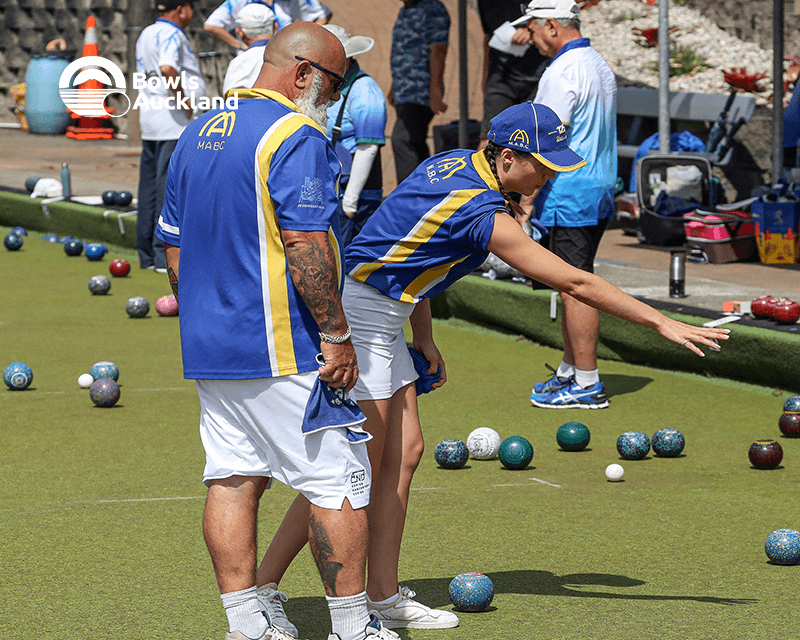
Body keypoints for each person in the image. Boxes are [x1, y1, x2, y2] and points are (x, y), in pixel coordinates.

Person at [251, 102, 731, 635]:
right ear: (507, 156)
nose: (548, 176)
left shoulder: (456, 163)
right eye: (543, 166)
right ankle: (265, 589)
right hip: (363, 316)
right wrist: (661, 323)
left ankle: (383, 596)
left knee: (405, 451)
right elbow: (575, 282)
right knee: (344, 472)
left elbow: (413, 247)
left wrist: (423, 335)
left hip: (387, 309)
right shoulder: (484, 214)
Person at [155, 22, 398, 640]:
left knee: (232, 477)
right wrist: (337, 334)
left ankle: (248, 624)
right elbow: (306, 242)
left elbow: (174, 248)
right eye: (336, 83)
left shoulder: (197, 131)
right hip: (281, 345)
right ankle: (351, 625)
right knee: (340, 478)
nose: (337, 97)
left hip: (212, 346)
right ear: (303, 73)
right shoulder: (296, 134)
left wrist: (204, 316)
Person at [514, 0, 619, 409]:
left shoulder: (561, 71)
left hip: (570, 191)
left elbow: (544, 144)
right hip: (597, 186)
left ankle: (588, 381)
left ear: (553, 26)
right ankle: (569, 370)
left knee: (577, 287)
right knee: (571, 283)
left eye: (535, 30)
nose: (533, 39)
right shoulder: (596, 62)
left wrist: (524, 201)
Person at [135, 0, 206, 273]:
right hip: (173, 122)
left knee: (149, 187)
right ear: (181, 9)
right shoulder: (172, 33)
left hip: (152, 120)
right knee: (169, 189)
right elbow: (167, 68)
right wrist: (185, 102)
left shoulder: (146, 32)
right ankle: (161, 257)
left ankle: (146, 253)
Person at [323, 25, 387, 246]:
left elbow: (368, 147)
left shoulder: (364, 90)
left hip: (354, 197)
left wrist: (349, 204)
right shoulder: (329, 85)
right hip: (333, 190)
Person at [389, 0, 450, 184]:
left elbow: (438, 50)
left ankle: (410, 195)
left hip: (420, 91)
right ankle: (426, 191)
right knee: (415, 142)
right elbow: (403, 50)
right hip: (404, 90)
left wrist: (435, 91)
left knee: (403, 140)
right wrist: (394, 86)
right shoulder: (406, 9)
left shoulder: (432, 9)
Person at [477, 0, 549, 145]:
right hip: (501, 78)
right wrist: (485, 75)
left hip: (538, 78)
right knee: (489, 140)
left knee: (534, 141)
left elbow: (560, 25)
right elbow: (488, 36)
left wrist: (531, 30)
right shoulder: (488, 4)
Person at [204, 0, 332, 53]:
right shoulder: (240, 1)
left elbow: (323, 15)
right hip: (251, 62)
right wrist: (242, 46)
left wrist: (304, 42)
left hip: (286, 61)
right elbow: (211, 26)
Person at [222, 3, 277, 95]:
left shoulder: (238, 63)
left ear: (239, 32)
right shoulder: (292, 57)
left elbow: (232, 104)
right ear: (275, 27)